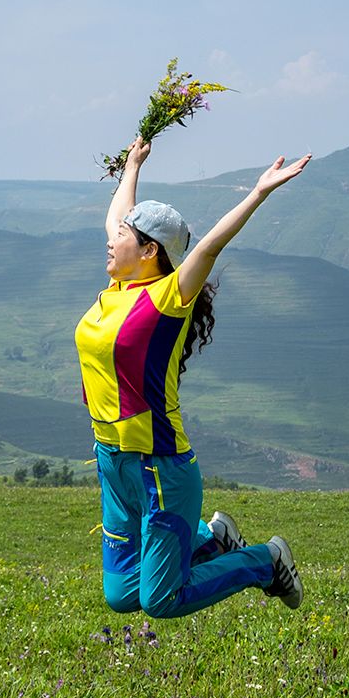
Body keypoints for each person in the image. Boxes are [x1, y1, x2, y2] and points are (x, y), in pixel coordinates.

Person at [74, 134, 310, 620]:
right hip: (113, 463)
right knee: (122, 597)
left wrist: (259, 192)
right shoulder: (119, 285)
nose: (110, 237)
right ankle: (210, 538)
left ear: (149, 250)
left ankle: (264, 561)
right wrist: (133, 166)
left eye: (122, 235)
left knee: (159, 600)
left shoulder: (167, 299)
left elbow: (208, 247)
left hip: (161, 468)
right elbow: (119, 210)